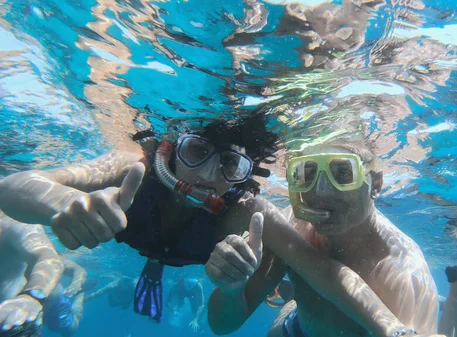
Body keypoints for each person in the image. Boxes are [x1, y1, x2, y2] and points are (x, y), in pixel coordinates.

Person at [0, 115, 411, 336]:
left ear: (244, 175)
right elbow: (12, 187)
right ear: (170, 150)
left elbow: (321, 271)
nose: (210, 175)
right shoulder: (133, 171)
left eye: (230, 164)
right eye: (196, 151)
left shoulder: (243, 211)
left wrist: (393, 329)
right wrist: (68, 203)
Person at [207, 134, 439, 337]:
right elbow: (223, 325)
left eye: (343, 173)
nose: (321, 192)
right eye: (306, 174)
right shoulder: (293, 226)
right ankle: (291, 305)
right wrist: (232, 291)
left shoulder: (402, 273)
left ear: (375, 184)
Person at [0, 214, 63, 337]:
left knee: (69, 328)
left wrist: (31, 297)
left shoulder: (14, 219)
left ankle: (77, 300)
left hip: (14, 318)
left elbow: (49, 258)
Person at [43, 258, 89, 337]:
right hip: (44, 308)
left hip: (56, 305)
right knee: (68, 328)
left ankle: (81, 292)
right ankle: (81, 292)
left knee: (69, 329)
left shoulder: (50, 257)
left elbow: (79, 271)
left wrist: (76, 284)